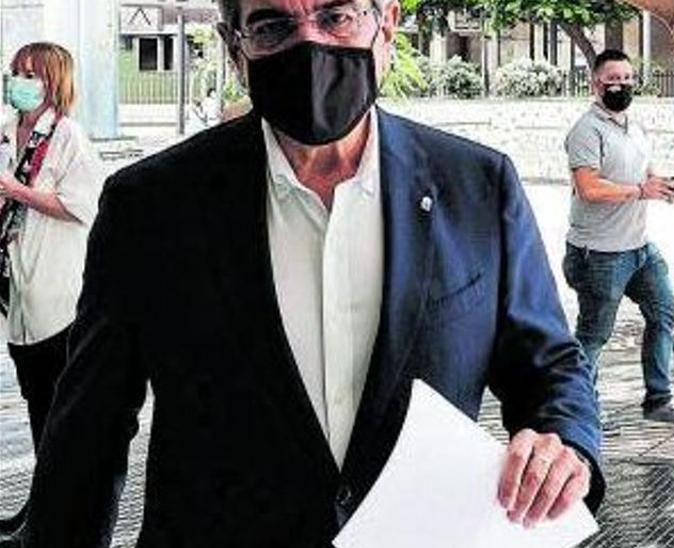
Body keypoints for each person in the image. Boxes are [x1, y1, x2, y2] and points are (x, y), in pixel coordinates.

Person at [13, 1, 602, 546]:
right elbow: (87, 433)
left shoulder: (477, 187)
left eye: (336, 16)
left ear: (387, 22)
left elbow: (549, 367)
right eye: (274, 28)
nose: (311, 46)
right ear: (235, 47)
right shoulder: (150, 206)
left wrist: (566, 444)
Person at [561, 49, 674, 427]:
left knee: (663, 315)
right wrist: (642, 190)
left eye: (627, 78)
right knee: (593, 336)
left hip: (639, 248)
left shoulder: (637, 128)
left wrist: (667, 187)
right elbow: (589, 187)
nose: (621, 85)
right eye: (613, 79)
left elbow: (646, 176)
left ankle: (659, 400)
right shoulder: (585, 131)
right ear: (595, 83)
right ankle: (580, 411)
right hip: (599, 253)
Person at [0, 42, 104, 541]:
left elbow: (82, 205)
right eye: (15, 72)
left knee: (58, 414)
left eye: (30, 73)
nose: (19, 81)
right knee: (36, 404)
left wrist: (15, 190)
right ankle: (41, 507)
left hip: (56, 296)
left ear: (53, 80)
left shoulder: (68, 137)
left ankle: (54, 519)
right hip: (17, 293)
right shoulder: (8, 131)